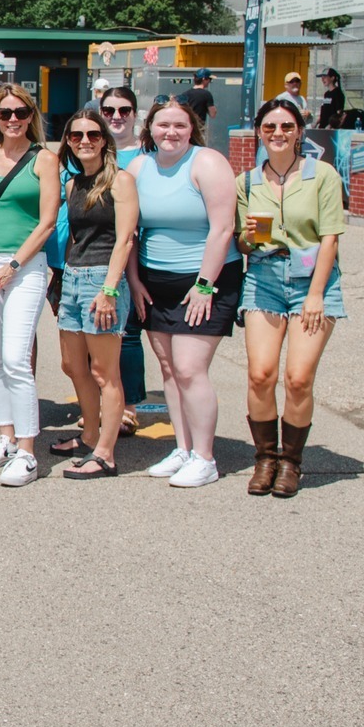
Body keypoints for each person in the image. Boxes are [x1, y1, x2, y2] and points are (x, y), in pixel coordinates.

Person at [130, 99, 240, 489]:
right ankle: (183, 448)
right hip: (154, 281)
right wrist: (134, 280)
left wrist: (204, 285)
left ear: (191, 128)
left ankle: (205, 457)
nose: (170, 132)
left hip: (206, 281)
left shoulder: (207, 162)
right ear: (151, 129)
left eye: (179, 125)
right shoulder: (140, 166)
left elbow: (222, 228)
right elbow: (130, 231)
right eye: (163, 126)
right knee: (170, 370)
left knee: (191, 370)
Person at [239, 98, 345, 498]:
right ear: (260, 133)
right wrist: (248, 236)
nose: (278, 134)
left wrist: (316, 294)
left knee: (298, 378)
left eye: (286, 126)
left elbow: (330, 236)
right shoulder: (247, 181)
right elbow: (243, 243)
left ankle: (291, 463)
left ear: (299, 131)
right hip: (264, 277)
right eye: (269, 127)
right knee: (260, 374)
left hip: (311, 280)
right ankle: (265, 458)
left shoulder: (323, 176)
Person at [0, 85, 61, 486]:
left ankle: (27, 450)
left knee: (18, 358)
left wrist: (12, 267)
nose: (13, 119)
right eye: (5, 114)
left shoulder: (45, 160)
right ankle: (4, 437)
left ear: (31, 115)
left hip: (24, 266)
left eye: (20, 112)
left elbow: (47, 222)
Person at [52, 109, 138, 480]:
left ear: (104, 139)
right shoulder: (73, 185)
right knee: (72, 365)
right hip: (73, 277)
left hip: (103, 279)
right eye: (75, 136)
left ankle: (106, 453)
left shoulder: (120, 181)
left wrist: (109, 291)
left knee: (105, 372)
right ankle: (89, 434)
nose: (84, 141)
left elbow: (124, 240)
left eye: (92, 134)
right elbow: (74, 238)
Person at [97, 85, 150, 438]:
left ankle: (128, 406)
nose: (117, 117)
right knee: (91, 334)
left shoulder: (145, 156)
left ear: (135, 113)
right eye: (110, 110)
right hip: (91, 253)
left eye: (124, 110)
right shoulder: (89, 149)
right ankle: (100, 404)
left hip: (134, 253)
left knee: (127, 333)